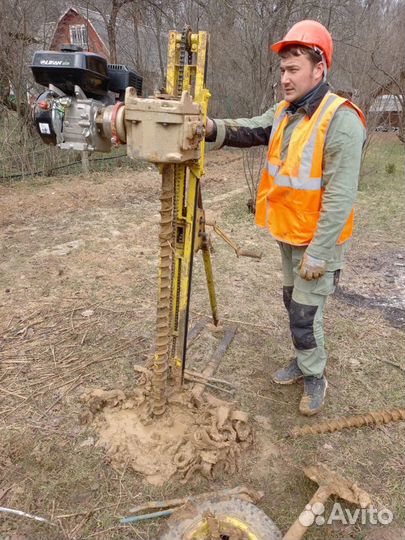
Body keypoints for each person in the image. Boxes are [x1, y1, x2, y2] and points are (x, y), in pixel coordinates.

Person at [205, 20, 366, 416]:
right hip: (290, 234)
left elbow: (341, 196)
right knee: (291, 303)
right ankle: (304, 359)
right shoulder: (286, 113)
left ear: (319, 69)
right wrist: (208, 127)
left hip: (317, 244)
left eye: (293, 69)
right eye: (282, 70)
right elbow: (250, 130)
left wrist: (319, 253)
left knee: (304, 314)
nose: (284, 78)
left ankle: (315, 376)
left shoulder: (340, 119)